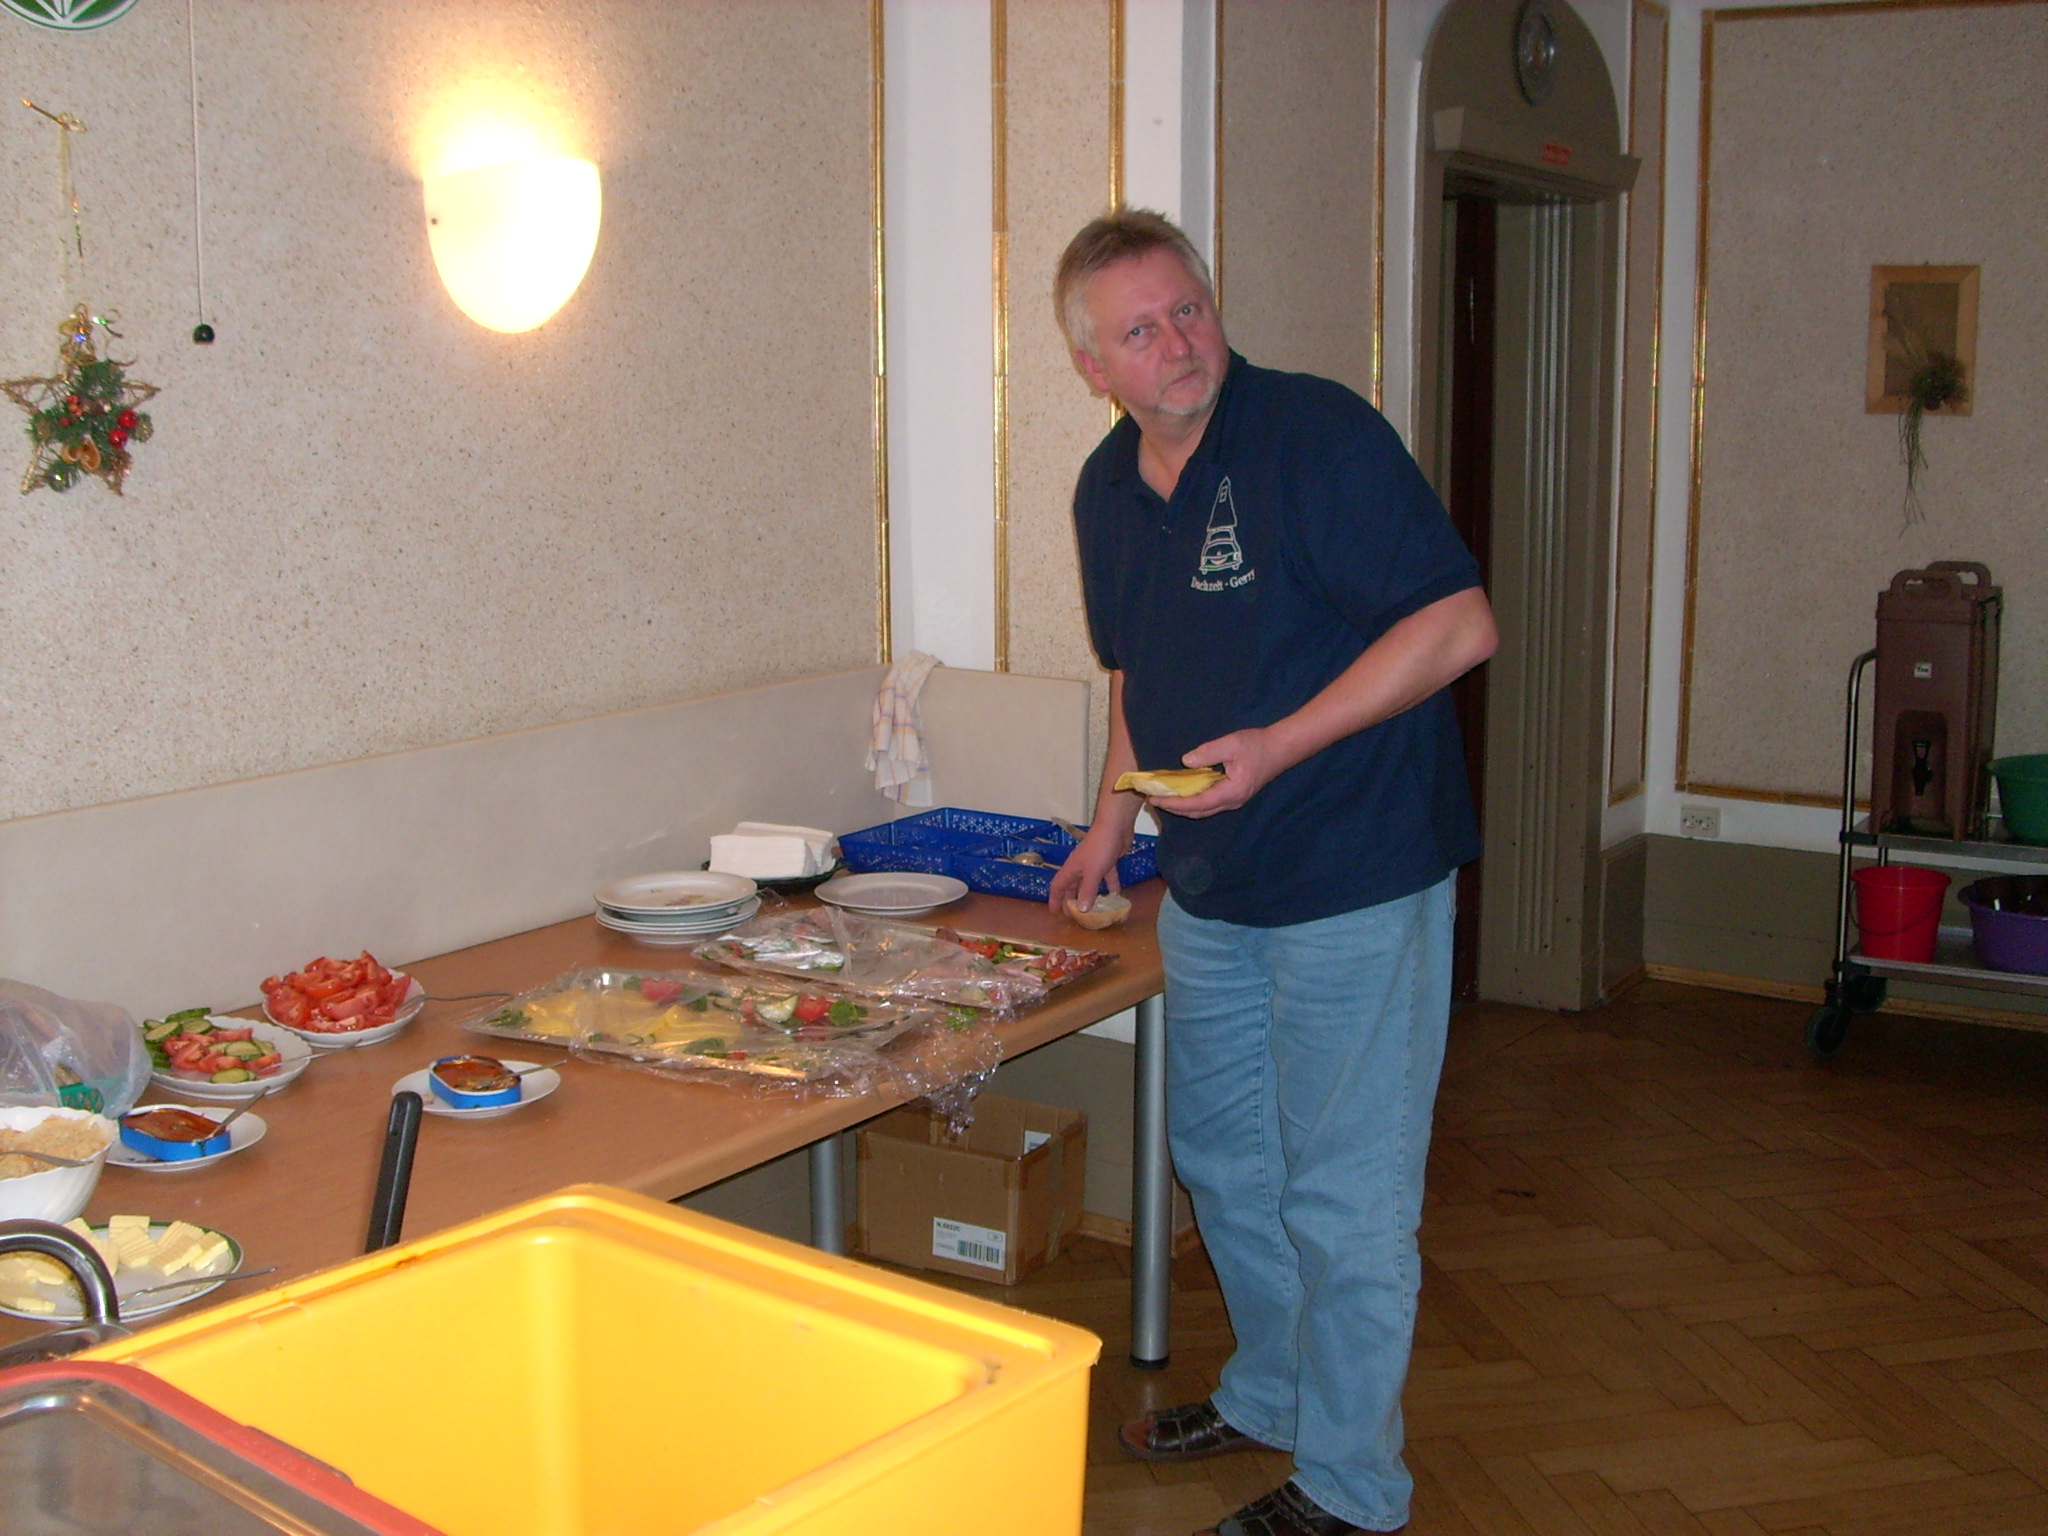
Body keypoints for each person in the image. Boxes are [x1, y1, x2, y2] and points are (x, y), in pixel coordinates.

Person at [1046, 209, 1496, 1536]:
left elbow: (1460, 624)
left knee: (1344, 1196)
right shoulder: (1105, 491)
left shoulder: (1316, 435)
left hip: (1361, 871)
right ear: (1093, 366)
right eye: (1141, 330)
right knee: (1226, 1161)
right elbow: (1134, 673)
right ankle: (1276, 1396)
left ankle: (1355, 1490)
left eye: (1188, 308)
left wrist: (1282, 746)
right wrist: (1107, 824)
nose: (1178, 343)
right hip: (1212, 884)